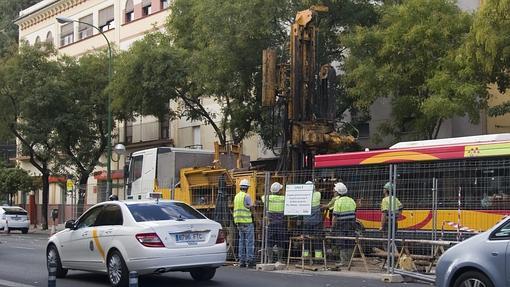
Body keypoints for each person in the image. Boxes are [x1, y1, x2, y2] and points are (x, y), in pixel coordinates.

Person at [332, 182, 357, 266]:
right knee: (349, 242)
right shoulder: (351, 200)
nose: (333, 192)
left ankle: (343, 262)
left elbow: (335, 216)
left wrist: (332, 226)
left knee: (342, 242)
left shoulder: (338, 201)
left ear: (338, 192)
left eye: (334, 191)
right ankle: (349, 261)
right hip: (351, 224)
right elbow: (355, 212)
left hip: (341, 225)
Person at [261, 182, 285, 263]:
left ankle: (270, 259)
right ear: (279, 191)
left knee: (269, 241)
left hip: (270, 223)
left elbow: (262, 197)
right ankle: (280, 259)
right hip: (280, 223)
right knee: (280, 241)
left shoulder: (266, 198)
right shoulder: (283, 199)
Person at [233, 178, 255, 268]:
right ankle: (250, 260)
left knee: (241, 241)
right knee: (249, 242)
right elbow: (251, 207)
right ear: (247, 188)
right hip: (247, 222)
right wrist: (258, 219)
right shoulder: (247, 196)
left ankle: (242, 261)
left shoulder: (236, 196)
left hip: (238, 222)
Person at [302, 180, 323, 259]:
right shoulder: (318, 194)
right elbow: (317, 192)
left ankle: (306, 256)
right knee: (317, 238)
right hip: (317, 221)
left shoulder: (304, 196)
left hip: (307, 221)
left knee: (306, 238)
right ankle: (318, 257)